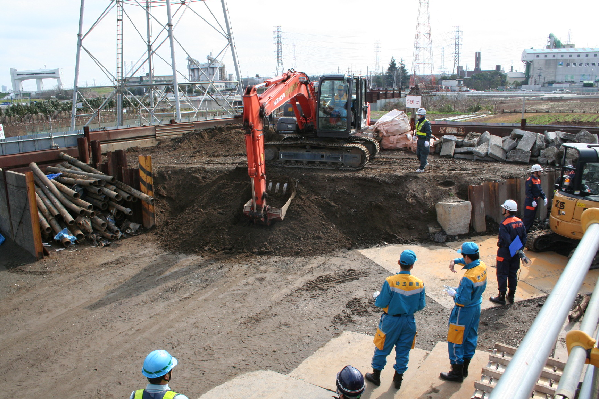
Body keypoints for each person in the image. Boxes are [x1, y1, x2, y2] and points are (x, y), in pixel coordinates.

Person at [365, 250, 426, 390]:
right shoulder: (419, 284)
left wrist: (377, 297)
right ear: (412, 265)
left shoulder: (390, 282)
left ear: (399, 262)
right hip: (409, 322)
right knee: (403, 351)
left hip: (391, 321)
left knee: (382, 348)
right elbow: (421, 305)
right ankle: (398, 379)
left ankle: (376, 376)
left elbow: (381, 303)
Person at [439, 242, 487, 383]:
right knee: (470, 336)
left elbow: (462, 300)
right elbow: (469, 262)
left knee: (456, 338)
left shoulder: (467, 278)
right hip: (476, 306)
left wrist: (453, 294)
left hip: (463, 311)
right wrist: (455, 261)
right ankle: (464, 368)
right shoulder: (482, 266)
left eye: (462, 256)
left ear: (466, 256)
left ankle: (456, 372)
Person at [490, 200, 527, 306]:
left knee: (502, 274)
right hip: (515, 253)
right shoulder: (520, 222)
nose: (502, 209)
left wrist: (514, 248)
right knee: (512, 274)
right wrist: (519, 250)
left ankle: (501, 297)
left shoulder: (504, 224)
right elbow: (524, 238)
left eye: (503, 208)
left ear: (507, 210)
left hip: (504, 252)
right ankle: (511, 296)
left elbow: (507, 240)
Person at [523, 164, 547, 232]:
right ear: (535, 172)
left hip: (535, 202)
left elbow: (540, 190)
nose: (540, 173)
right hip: (530, 202)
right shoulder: (530, 180)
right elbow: (528, 192)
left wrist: (544, 197)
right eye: (539, 171)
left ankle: (528, 231)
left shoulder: (538, 180)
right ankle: (524, 232)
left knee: (532, 218)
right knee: (528, 218)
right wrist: (532, 200)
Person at [414, 108, 432, 173]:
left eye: (419, 115)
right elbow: (418, 130)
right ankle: (424, 162)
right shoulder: (419, 122)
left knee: (423, 154)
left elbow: (429, 132)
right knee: (418, 154)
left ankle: (421, 168)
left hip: (424, 141)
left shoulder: (426, 123)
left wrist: (427, 140)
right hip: (419, 140)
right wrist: (415, 135)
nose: (418, 116)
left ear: (422, 115)